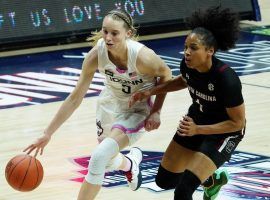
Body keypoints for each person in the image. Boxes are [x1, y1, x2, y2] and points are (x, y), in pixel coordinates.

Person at [23, 9, 172, 200]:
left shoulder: (143, 57)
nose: (108, 37)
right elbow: (75, 98)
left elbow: (166, 75)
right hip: (109, 103)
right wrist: (47, 133)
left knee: (99, 158)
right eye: (105, 31)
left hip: (137, 109)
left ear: (128, 34)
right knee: (108, 160)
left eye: (114, 33)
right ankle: (130, 164)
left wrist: (157, 111)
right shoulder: (96, 56)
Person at [128, 6, 246, 200]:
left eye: (193, 48)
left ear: (210, 51)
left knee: (183, 191)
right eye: (185, 47)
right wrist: (150, 91)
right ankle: (210, 180)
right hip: (197, 120)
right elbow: (183, 80)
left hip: (224, 133)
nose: (186, 53)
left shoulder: (227, 79)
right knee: (164, 181)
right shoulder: (188, 66)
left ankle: (202, 173)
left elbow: (237, 124)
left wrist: (198, 130)